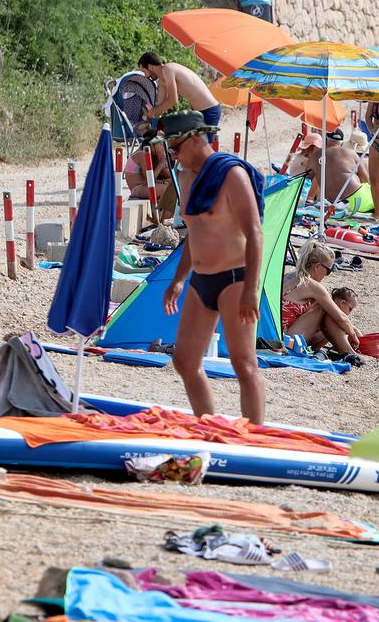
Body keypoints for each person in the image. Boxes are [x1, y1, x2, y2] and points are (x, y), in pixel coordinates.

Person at [159, 112, 266, 423]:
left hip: (235, 278)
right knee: (185, 360)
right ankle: (208, 424)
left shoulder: (231, 175)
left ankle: (256, 441)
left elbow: (255, 232)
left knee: (244, 363)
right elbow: (196, 233)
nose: (174, 157)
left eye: (176, 148)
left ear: (195, 139)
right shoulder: (188, 176)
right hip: (201, 279)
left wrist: (251, 289)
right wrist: (179, 279)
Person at [280, 242, 363, 361]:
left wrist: (351, 329)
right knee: (325, 308)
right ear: (317, 266)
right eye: (328, 271)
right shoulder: (311, 285)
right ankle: (349, 353)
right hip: (286, 342)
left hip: (275, 335)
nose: (327, 275)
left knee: (326, 312)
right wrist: (354, 335)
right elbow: (341, 318)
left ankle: (345, 350)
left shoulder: (289, 276)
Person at [139, 51, 223, 132]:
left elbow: (173, 100)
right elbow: (159, 106)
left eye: (144, 72)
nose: (146, 77)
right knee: (192, 144)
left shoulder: (168, 69)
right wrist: (149, 115)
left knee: (204, 146)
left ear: (150, 67)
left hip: (210, 110)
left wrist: (153, 112)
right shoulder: (162, 80)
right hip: (198, 112)